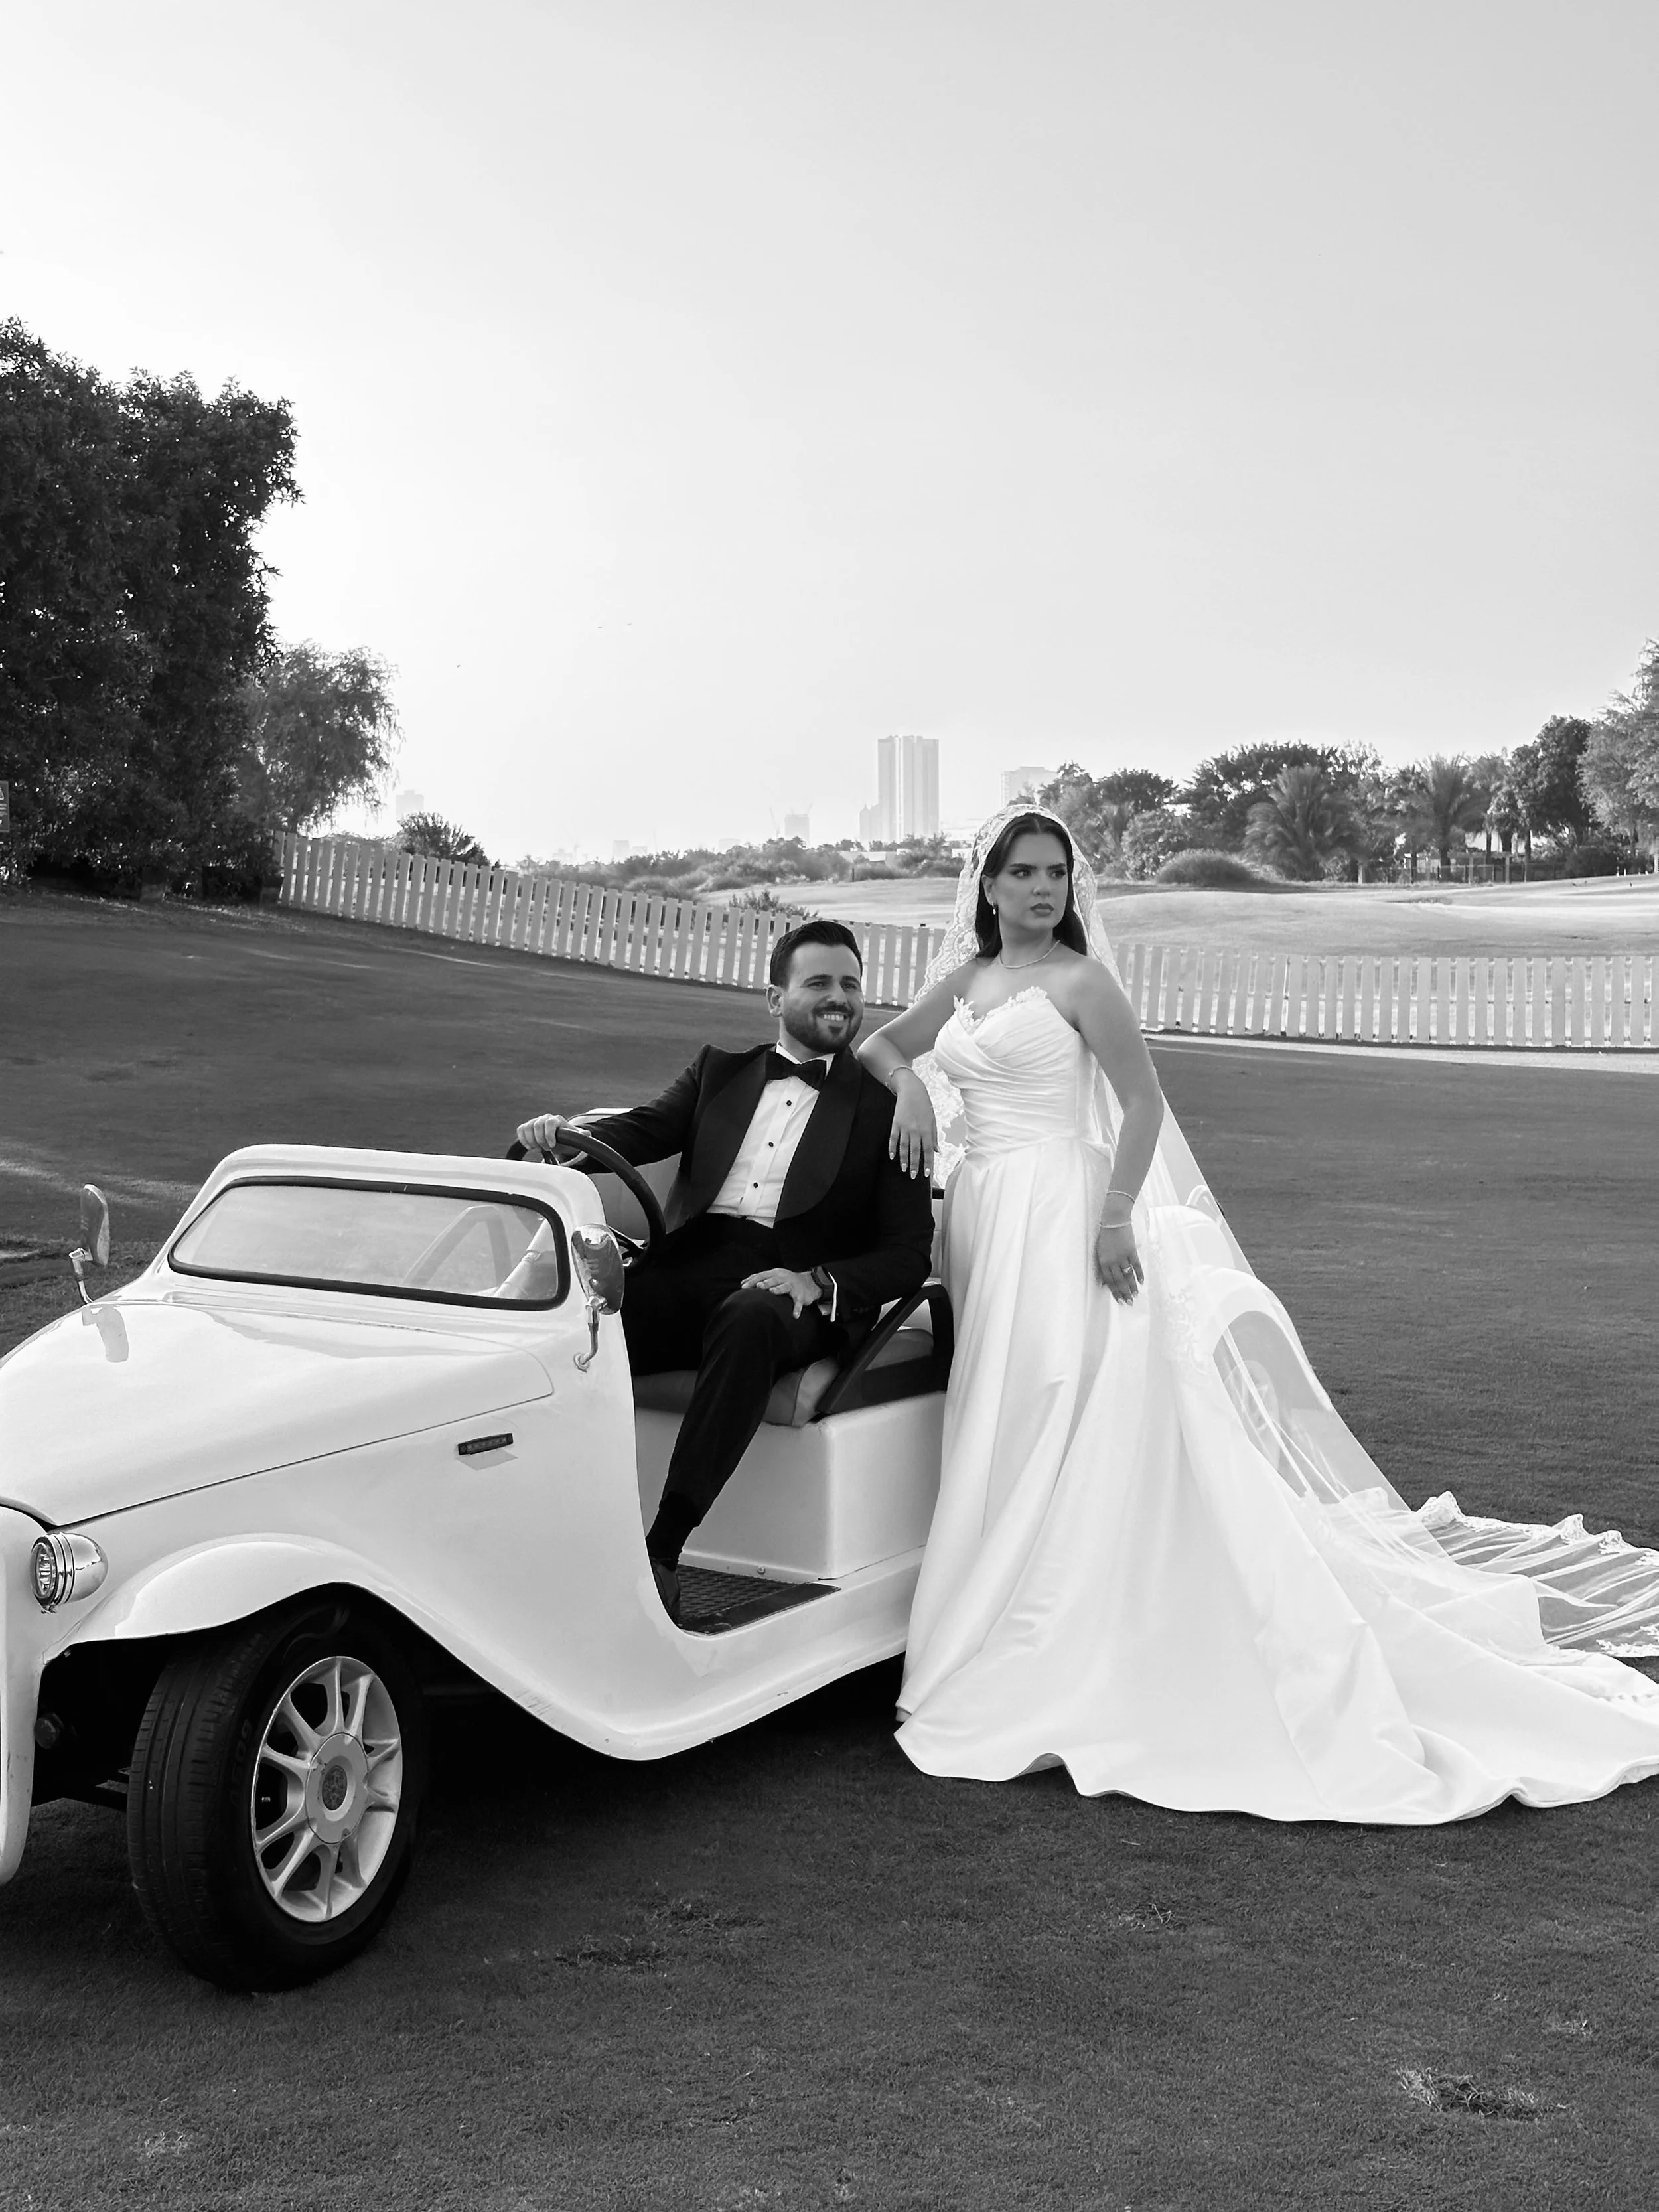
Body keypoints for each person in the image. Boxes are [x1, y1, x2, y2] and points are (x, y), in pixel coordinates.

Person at [857, 806, 1659, 1822]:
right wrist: (913, 1091)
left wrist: (1114, 1218)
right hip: (984, 1220)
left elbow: (1143, 1104)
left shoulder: (1080, 981)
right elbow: (884, 1046)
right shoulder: (966, 985)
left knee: (1059, 1400)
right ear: (988, 886)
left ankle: (1053, 1628)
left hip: (1062, 1211)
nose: (1040, 888)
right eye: (1020, 872)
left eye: (1055, 872)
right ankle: (995, 1614)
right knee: (998, 1409)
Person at [518, 918, 934, 1623]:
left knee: (748, 1320)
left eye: (850, 985)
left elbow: (907, 1252)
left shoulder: (884, 1112)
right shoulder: (718, 1073)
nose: (840, 998)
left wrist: (820, 1282)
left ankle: (663, 1548)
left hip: (794, 1287)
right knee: (571, 1326)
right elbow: (642, 1130)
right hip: (693, 1263)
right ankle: (536, 1525)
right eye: (819, 983)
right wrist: (563, 1137)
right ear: (775, 998)